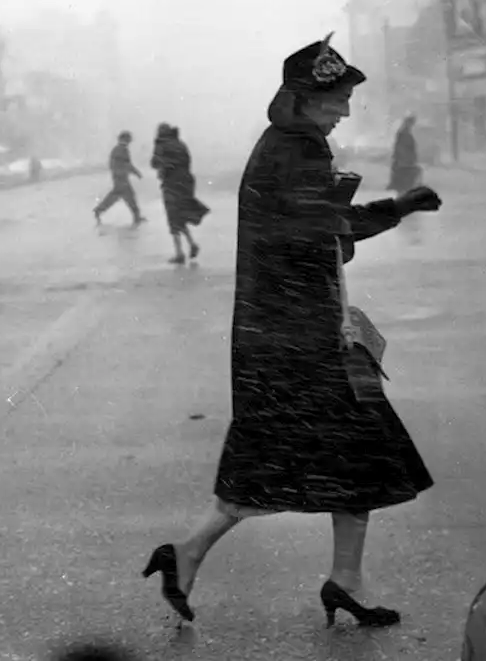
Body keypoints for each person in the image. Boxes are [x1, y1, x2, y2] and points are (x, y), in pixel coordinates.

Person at [142, 34, 442, 628]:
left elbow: (318, 230)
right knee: (342, 452)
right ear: (303, 98)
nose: (346, 108)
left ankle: (328, 577)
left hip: (284, 330)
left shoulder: (287, 144)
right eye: (336, 97)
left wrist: (370, 216)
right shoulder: (298, 151)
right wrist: (396, 208)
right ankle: (208, 555)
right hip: (299, 335)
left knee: (318, 456)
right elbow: (322, 232)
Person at [151, 123, 209, 264]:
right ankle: (192, 244)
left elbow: (154, 163)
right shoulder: (180, 144)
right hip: (186, 183)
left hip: (171, 184)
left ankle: (179, 253)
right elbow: (187, 161)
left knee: (173, 217)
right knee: (180, 215)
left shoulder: (161, 144)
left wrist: (164, 166)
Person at [94, 131, 145, 227]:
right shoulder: (123, 150)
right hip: (122, 179)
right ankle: (137, 217)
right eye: (129, 139)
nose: (130, 141)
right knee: (128, 197)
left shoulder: (116, 149)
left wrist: (117, 174)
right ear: (126, 139)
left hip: (118, 178)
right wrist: (136, 173)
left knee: (115, 197)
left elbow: (113, 164)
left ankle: (99, 210)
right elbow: (127, 165)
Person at [388, 114, 422, 193]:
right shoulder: (403, 133)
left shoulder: (405, 133)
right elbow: (401, 149)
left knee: (405, 187)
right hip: (404, 165)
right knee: (404, 187)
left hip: (405, 164)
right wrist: (407, 160)